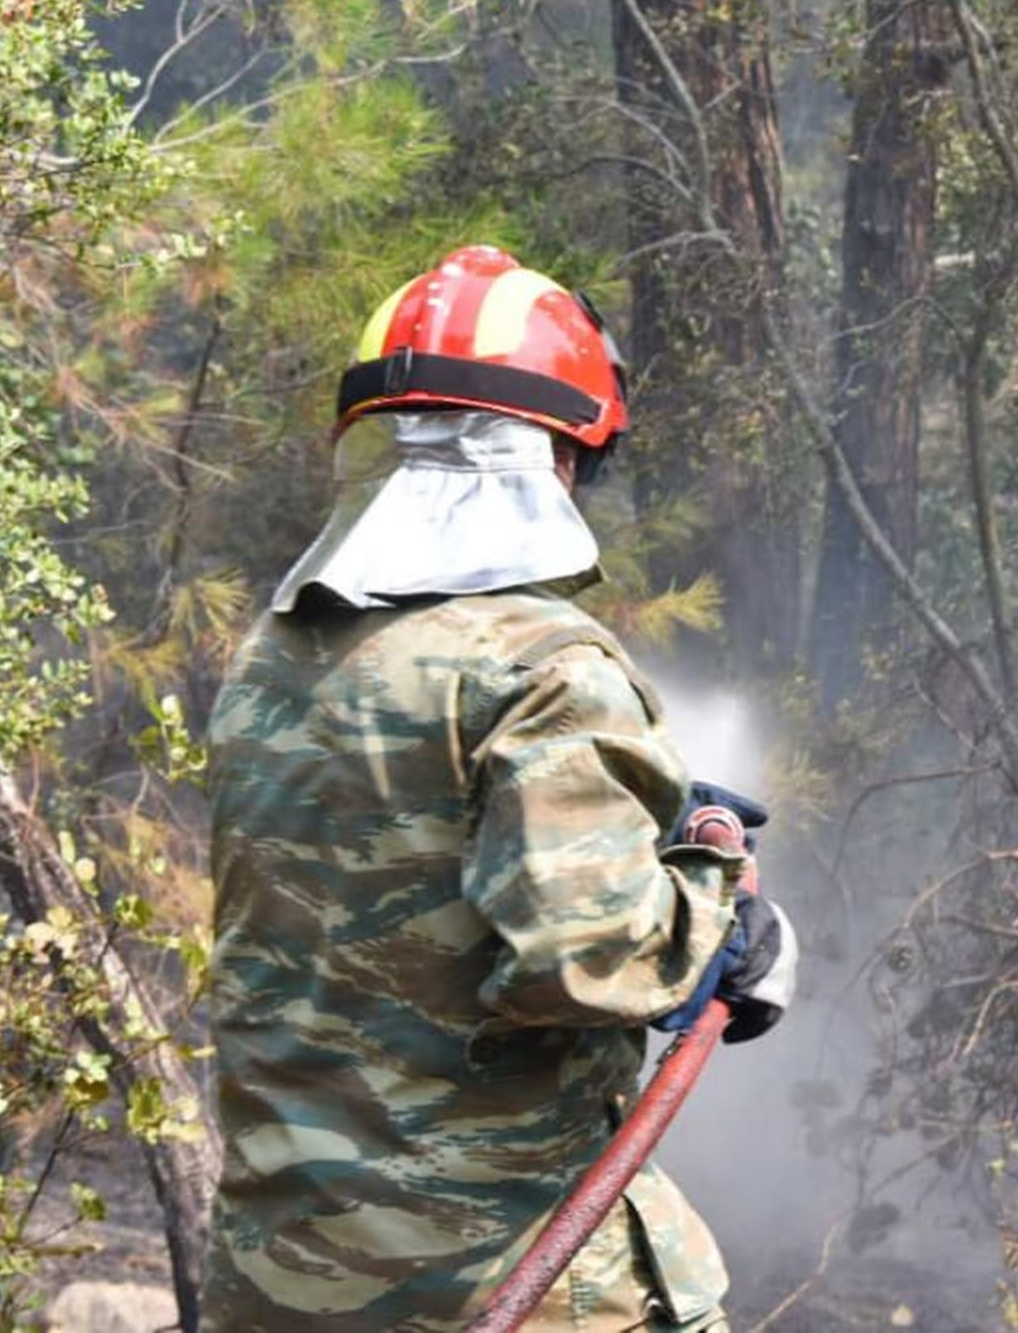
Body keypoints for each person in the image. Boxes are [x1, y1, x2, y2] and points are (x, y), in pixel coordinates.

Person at [201, 244, 795, 1332]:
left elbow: (390, 862)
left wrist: (617, 815)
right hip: (513, 1287)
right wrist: (714, 892)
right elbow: (593, 959)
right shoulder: (542, 663)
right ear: (554, 459)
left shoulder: (273, 660)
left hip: (281, 1284)